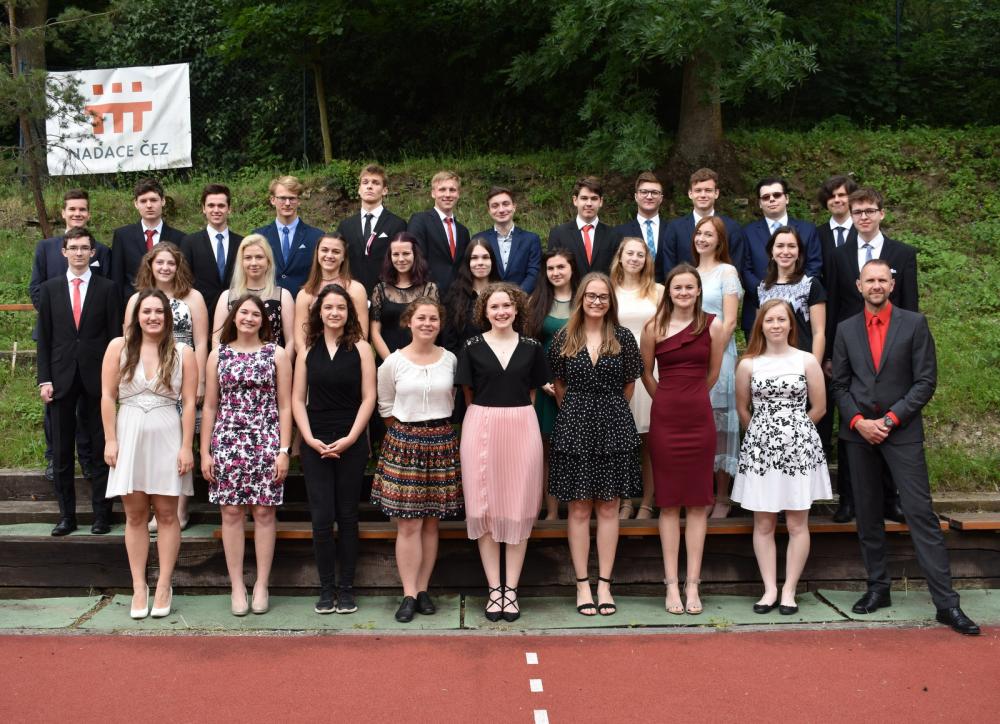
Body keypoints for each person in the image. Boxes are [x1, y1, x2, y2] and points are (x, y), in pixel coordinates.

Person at [832, 259, 979, 636]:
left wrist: (890, 420)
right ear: (859, 285)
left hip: (902, 431)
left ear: (892, 285)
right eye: (870, 280)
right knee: (867, 514)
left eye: (882, 280)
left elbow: (925, 381)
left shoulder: (914, 324)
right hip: (858, 434)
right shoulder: (846, 329)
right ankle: (878, 588)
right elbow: (840, 385)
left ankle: (946, 603)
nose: (876, 285)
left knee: (920, 513)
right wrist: (858, 422)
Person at [548, 273, 643, 617]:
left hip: (614, 426)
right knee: (578, 508)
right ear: (581, 299)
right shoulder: (564, 336)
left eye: (603, 297)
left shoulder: (623, 337)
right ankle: (582, 585)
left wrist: (608, 411)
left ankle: (604, 584)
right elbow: (559, 384)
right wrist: (579, 411)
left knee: (608, 507)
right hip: (574, 426)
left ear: (610, 302)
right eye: (591, 296)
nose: (597, 301)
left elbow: (630, 383)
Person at [101, 289, 197, 619]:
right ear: (137, 316)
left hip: (168, 435)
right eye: (147, 311)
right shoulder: (119, 347)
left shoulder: (183, 352)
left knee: (168, 515)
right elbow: (107, 396)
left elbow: (189, 403)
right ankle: (139, 586)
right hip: (128, 435)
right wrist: (110, 440)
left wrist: (186, 446)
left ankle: (164, 585)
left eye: (159, 311)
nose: (153, 317)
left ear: (167, 317)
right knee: (135, 515)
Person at [456, 283, 549, 622]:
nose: (501, 312)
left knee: (518, 508)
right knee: (484, 507)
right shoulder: (471, 346)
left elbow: (533, 391)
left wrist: (516, 416)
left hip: (522, 425)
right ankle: (494, 589)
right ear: (485, 311)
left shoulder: (532, 347)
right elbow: (468, 393)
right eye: (494, 307)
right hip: (481, 424)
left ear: (517, 309)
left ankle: (512, 590)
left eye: (507, 306)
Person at [732, 299, 831, 615]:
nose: (776, 325)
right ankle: (769, 589)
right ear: (760, 325)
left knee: (797, 522)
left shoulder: (806, 361)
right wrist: (764, 435)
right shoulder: (748, 364)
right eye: (770, 320)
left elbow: (820, 407)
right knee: (763, 522)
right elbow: (742, 408)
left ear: (790, 325)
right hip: (761, 452)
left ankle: (789, 590)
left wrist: (794, 431)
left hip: (799, 450)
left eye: (781, 319)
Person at [371, 298, 463, 623]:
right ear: (409, 322)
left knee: (432, 521)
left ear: (440, 323)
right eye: (421, 318)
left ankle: (424, 590)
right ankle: (408, 593)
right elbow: (385, 406)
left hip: (441, 441)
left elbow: (454, 398)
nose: (427, 323)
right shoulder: (392, 363)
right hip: (405, 443)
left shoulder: (450, 360)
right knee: (409, 523)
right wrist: (406, 435)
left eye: (433, 318)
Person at [640, 264, 725, 615]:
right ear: (669, 291)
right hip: (666, 420)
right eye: (678, 287)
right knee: (670, 503)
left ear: (698, 290)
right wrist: (666, 398)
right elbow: (646, 373)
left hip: (699, 420)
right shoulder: (653, 327)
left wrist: (692, 396)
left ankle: (693, 585)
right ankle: (671, 585)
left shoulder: (713, 325)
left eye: (690, 287)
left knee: (698, 503)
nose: (684, 293)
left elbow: (713, 373)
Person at [826, 188, 914, 523]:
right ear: (850, 215)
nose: (863, 217)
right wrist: (830, 355)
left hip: (891, 348)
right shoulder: (839, 255)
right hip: (851, 348)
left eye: (869, 211)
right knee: (851, 420)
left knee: (892, 419)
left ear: (881, 213)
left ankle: (891, 499)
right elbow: (834, 304)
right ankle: (848, 500)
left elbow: (910, 305)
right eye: (858, 212)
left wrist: (909, 351)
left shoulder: (902, 253)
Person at [201, 294, 292, 617]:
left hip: (265, 440)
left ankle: (262, 584)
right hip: (227, 441)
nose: (249, 318)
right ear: (234, 318)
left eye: (255, 314)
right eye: (244, 313)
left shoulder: (276, 354)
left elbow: (285, 405)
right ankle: (237, 586)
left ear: (263, 321)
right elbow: (209, 406)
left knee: (265, 512)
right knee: (231, 513)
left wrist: (284, 450)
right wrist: (205, 451)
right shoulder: (218, 354)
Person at [292, 284, 377, 615]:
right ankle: (326, 589)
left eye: (340, 307)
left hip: (350, 438)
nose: (334, 313)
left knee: (347, 515)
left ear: (349, 312)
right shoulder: (308, 349)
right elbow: (297, 399)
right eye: (328, 307)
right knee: (322, 517)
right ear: (319, 312)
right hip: (315, 439)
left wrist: (352, 437)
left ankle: (347, 589)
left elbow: (369, 398)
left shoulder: (362, 348)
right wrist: (309, 438)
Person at [37, 227, 121, 536]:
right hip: (60, 379)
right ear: (64, 252)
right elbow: (45, 338)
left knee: (101, 448)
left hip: (98, 379)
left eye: (84, 248)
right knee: (62, 452)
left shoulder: (108, 288)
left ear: (92, 252)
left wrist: (115, 379)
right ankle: (66, 517)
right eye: (73, 247)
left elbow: (115, 337)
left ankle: (102, 515)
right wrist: (44, 379)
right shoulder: (49, 289)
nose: (79, 253)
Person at [124, 242, 210, 530]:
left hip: (184, 371)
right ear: (150, 265)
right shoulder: (138, 299)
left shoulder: (193, 298)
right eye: (159, 262)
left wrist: (200, 381)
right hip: (149, 378)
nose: (165, 268)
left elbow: (202, 341)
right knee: (152, 440)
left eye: (170, 263)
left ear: (178, 266)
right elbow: (129, 341)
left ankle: (180, 508)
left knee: (183, 440)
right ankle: (152, 508)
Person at [29, 189, 111, 483]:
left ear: (88, 214)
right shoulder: (46, 248)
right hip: (57, 339)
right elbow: (36, 289)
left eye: (82, 209)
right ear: (63, 213)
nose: (77, 213)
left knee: (90, 406)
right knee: (56, 404)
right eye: (72, 209)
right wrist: (59, 318)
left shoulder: (100, 250)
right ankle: (55, 457)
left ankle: (88, 459)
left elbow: (106, 291)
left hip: (90, 344)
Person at [692, 217, 744, 519]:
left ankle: (723, 495)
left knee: (720, 423)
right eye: (699, 233)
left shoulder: (727, 271)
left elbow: (730, 320)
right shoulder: (691, 273)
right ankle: (704, 492)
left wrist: (710, 355)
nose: (702, 238)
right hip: (691, 356)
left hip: (719, 354)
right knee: (699, 424)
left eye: (709, 234)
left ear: (720, 240)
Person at [609, 237, 663, 521]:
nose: (634, 258)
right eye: (629, 253)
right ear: (620, 256)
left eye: (640, 254)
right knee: (620, 440)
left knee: (649, 440)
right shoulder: (609, 290)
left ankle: (647, 502)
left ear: (647, 259)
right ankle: (625, 501)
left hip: (650, 370)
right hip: (617, 371)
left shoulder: (658, 291)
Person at [526, 249, 580, 521]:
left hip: (579, 387)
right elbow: (529, 346)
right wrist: (543, 381)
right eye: (551, 268)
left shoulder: (584, 300)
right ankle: (551, 511)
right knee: (547, 451)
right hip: (546, 386)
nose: (556, 273)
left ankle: (576, 508)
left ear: (572, 269)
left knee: (575, 450)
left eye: (561, 267)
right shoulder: (537, 302)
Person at [740, 177, 821, 338]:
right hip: (758, 310)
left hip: (798, 312)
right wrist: (767, 294)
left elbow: (814, 266)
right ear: (760, 203)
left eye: (777, 195)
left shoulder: (808, 230)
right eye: (766, 197)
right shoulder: (747, 232)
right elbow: (745, 269)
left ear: (787, 198)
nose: (771, 199)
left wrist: (791, 293)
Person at [213, 234, 296, 360]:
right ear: (241, 262)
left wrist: (282, 367)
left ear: (268, 261)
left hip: (272, 366)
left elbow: (291, 341)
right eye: (248, 258)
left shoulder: (282, 296)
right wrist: (225, 365)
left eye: (259, 257)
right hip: (233, 367)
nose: (253, 263)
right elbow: (217, 339)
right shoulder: (227, 296)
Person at [756, 227, 827, 362]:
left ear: (799, 252)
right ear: (771, 251)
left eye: (791, 246)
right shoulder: (762, 288)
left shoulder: (810, 285)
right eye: (780, 246)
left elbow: (818, 333)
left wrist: (815, 366)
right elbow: (759, 331)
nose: (785, 251)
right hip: (769, 362)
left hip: (801, 361)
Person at [292, 232, 369, 355]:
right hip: (313, 359)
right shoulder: (305, 293)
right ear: (317, 253)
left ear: (344, 257)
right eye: (324, 250)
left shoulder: (356, 290)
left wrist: (342, 360)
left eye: (336, 252)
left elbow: (361, 334)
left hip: (349, 356)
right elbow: (299, 340)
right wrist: (311, 360)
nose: (329, 255)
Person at [337, 164, 408, 295]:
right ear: (359, 189)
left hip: (387, 294)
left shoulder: (398, 224)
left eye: (375, 183)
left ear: (385, 190)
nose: (369, 186)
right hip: (351, 294)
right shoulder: (345, 226)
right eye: (365, 182)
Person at [111, 178, 186, 300]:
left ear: (163, 201)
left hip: (168, 303)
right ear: (136, 204)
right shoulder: (122, 236)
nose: (149, 205)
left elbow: (182, 277)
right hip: (132, 304)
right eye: (143, 201)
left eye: (153, 200)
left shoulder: (180, 238)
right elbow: (117, 277)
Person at [369, 232, 439, 362]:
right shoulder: (380, 289)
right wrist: (391, 362)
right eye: (396, 254)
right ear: (390, 257)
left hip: (420, 361)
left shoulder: (429, 289)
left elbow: (433, 328)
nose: (401, 259)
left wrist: (413, 362)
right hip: (387, 361)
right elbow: (374, 332)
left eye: (406, 253)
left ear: (415, 255)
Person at [252, 175, 324, 298]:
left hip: (303, 303)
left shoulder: (316, 236)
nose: (287, 203)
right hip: (267, 302)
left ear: (299, 201)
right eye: (282, 198)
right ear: (272, 200)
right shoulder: (259, 236)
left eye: (292, 198)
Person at [663, 168, 746, 274]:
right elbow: (669, 269)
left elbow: (736, 267)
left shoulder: (732, 227)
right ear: (690, 194)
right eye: (698, 190)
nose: (703, 195)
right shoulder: (674, 228)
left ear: (716, 193)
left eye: (708, 190)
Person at [180, 183, 244, 316]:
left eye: (221, 206)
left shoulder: (242, 243)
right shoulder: (189, 242)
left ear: (229, 209)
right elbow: (183, 280)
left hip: (236, 313)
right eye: (211, 205)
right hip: (200, 313)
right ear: (203, 208)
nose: (216, 210)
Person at [407, 171, 470, 294]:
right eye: (442, 190)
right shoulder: (420, 221)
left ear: (458, 194)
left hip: (458, 296)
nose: (448, 194)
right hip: (428, 294)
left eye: (452, 190)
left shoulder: (463, 231)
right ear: (433, 193)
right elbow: (416, 259)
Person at [473, 186, 542, 292]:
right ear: (489, 210)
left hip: (523, 299)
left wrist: (517, 296)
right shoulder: (479, 239)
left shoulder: (531, 239)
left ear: (514, 206)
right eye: (495, 206)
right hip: (488, 299)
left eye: (505, 204)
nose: (501, 210)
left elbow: (534, 272)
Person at [548, 176, 622, 275]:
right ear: (575, 200)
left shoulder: (614, 235)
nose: (589, 203)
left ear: (601, 201)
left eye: (594, 199)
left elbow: (617, 272)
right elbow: (552, 270)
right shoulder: (558, 234)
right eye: (584, 198)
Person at [441, 237, 500, 355]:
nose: (480, 262)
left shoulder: (502, 294)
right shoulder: (455, 296)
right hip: (463, 361)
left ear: (492, 261)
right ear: (468, 262)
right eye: (474, 258)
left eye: (485, 257)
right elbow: (449, 340)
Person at [614, 171, 669, 283]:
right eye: (644, 192)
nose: (649, 196)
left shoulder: (672, 229)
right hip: (632, 290)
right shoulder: (619, 232)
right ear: (636, 196)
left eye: (654, 192)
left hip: (666, 290)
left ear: (661, 198)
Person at [815, 175, 859, 289]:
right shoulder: (816, 234)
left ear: (852, 198)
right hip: (827, 296)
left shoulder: (864, 230)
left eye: (841, 195)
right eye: (831, 196)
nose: (836, 200)